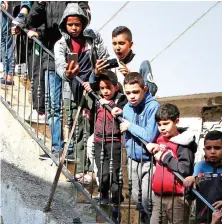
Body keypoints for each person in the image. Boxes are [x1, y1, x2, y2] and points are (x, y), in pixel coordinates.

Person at [54, 3, 109, 179]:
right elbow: (60, 66)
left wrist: (98, 72)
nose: (74, 28)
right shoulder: (61, 44)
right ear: (65, 24)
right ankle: (80, 168)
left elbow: (104, 57)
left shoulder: (93, 38)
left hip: (92, 90)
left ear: (83, 23)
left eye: (77, 24)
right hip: (72, 91)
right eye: (70, 25)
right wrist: (67, 73)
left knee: (92, 129)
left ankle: (93, 169)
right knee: (77, 130)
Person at [112, 72, 160, 216]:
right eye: (127, 93)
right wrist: (120, 114)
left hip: (148, 160)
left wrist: (129, 126)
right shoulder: (127, 107)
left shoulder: (153, 106)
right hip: (133, 158)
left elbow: (149, 135)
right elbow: (127, 120)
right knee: (135, 198)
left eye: (135, 92)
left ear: (145, 89)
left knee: (147, 199)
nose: (131, 96)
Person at [146, 103, 197, 224]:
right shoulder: (160, 139)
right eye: (159, 125)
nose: (162, 128)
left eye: (166, 123)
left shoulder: (183, 143)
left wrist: (165, 157)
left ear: (176, 121)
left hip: (177, 198)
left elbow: (185, 169)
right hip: (158, 196)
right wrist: (156, 147)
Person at [83, 71, 127, 204]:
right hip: (98, 141)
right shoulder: (97, 99)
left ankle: (116, 198)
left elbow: (121, 112)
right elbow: (95, 113)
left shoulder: (121, 99)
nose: (105, 91)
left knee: (115, 172)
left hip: (114, 142)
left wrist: (109, 104)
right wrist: (89, 113)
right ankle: (103, 194)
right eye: (102, 88)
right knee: (103, 171)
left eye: (108, 87)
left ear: (116, 87)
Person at [90, 26, 158, 96]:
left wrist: (132, 78)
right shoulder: (110, 63)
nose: (117, 48)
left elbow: (152, 89)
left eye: (121, 43)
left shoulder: (141, 63)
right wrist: (96, 74)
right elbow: (95, 87)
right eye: (114, 44)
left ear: (131, 44)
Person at [184, 130, 222, 224]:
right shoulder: (199, 166)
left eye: (217, 148)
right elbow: (192, 191)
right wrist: (190, 181)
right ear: (204, 150)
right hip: (203, 216)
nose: (212, 151)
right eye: (209, 148)